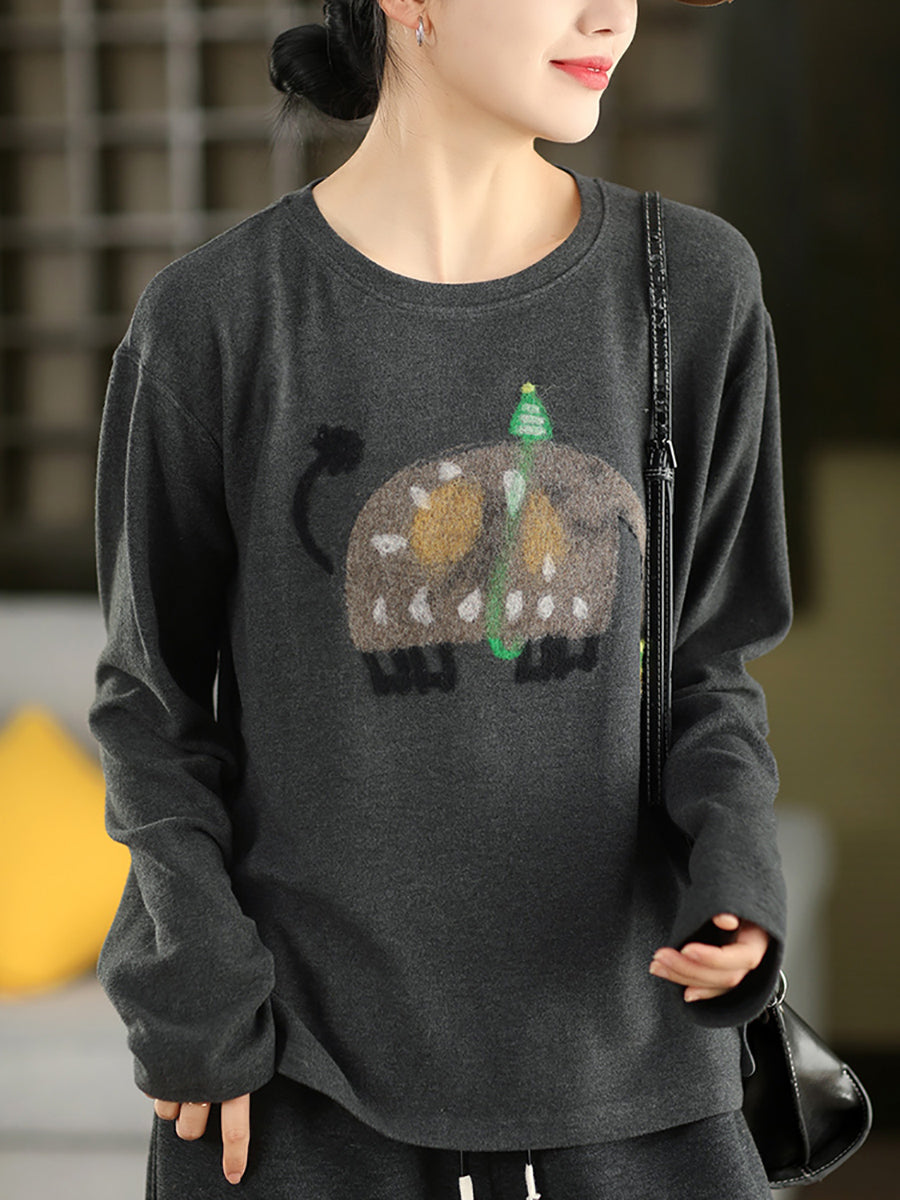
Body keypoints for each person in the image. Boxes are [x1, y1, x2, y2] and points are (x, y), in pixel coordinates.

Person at [88, 1, 791, 1197]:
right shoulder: (215, 319)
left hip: (639, 1076)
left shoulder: (692, 287)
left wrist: (739, 873)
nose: (610, 15)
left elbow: (709, 666)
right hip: (301, 1090)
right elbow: (150, 711)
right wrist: (194, 993)